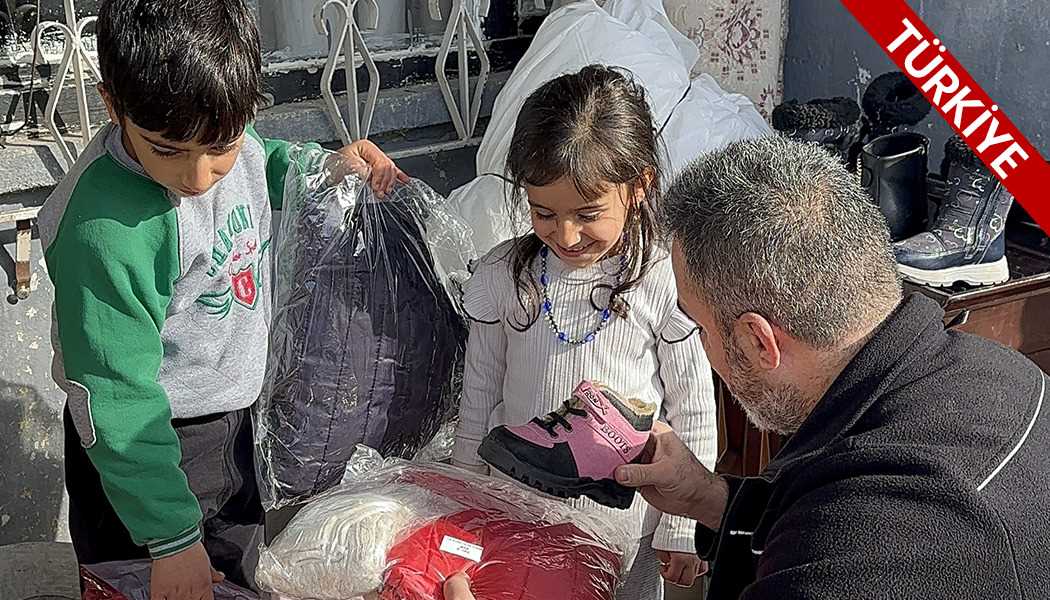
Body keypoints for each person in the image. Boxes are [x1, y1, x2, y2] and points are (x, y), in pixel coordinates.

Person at [37, 2, 405, 599]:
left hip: (231, 429)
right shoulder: (105, 231)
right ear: (112, 105)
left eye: (220, 146)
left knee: (236, 576)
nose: (199, 176)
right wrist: (171, 539)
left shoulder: (217, 126)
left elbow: (263, 161)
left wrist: (324, 168)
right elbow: (115, 398)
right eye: (167, 149)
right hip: (146, 457)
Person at [614, 135, 1050, 599]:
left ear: (759, 341)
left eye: (699, 326)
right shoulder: (1003, 371)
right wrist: (708, 497)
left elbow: (849, 534)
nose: (701, 346)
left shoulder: (852, 554)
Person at [451, 65, 718, 598]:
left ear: (639, 186)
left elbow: (692, 410)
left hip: (625, 528)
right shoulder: (503, 276)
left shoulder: (665, 279)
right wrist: (463, 498)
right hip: (520, 514)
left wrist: (681, 526)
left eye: (588, 213)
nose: (567, 235)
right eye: (544, 213)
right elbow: (479, 394)